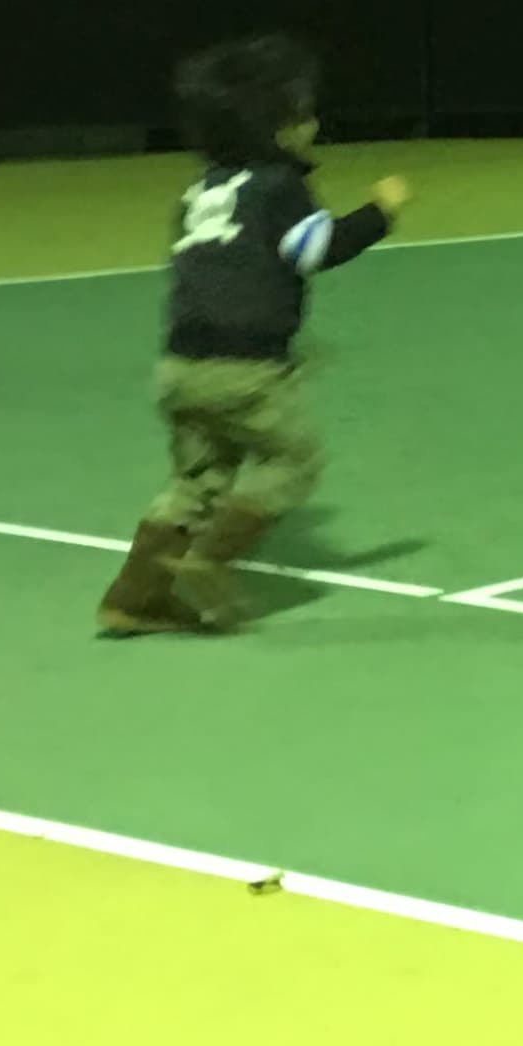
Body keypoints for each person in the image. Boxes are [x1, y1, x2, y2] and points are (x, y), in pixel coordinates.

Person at [94, 33, 409, 636]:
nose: (312, 122)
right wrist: (380, 213)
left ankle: (133, 597)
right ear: (279, 127)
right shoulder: (278, 186)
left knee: (197, 482)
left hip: (181, 367)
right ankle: (208, 561)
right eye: (301, 113)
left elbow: (216, 274)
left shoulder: (201, 191)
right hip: (245, 371)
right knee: (294, 460)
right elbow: (314, 249)